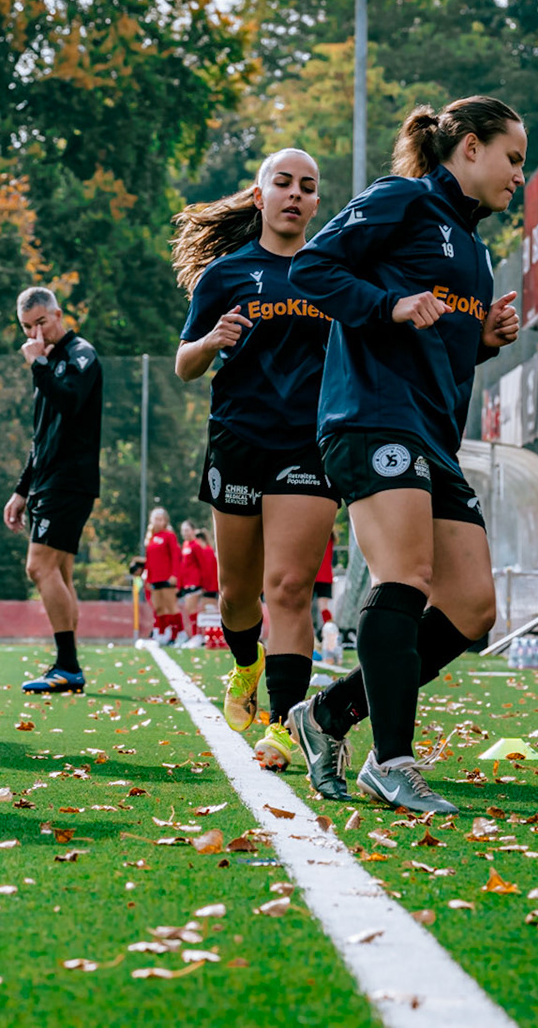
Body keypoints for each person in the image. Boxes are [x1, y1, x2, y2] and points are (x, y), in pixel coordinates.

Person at [284, 98, 523, 812]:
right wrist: (388, 306)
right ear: (470, 148)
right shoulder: (403, 200)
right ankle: (392, 762)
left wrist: (482, 341)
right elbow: (312, 270)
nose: (519, 175)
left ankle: (329, 715)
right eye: (513, 158)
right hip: (369, 416)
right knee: (407, 576)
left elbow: (440, 352)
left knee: (474, 609)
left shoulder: (476, 251)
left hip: (431, 437)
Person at [173, 146, 339, 773]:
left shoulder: (332, 273)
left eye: (308, 186)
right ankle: (248, 662)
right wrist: (211, 339)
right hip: (238, 441)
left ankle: (284, 724)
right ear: (260, 194)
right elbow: (186, 364)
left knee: (291, 587)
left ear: (316, 202)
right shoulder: (226, 274)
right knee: (237, 597)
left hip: (308, 445)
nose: (295, 194)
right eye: (284, 183)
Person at [1, 287, 102, 693]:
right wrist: (21, 489)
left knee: (38, 567)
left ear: (59, 314)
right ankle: (68, 664)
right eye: (27, 328)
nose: (36, 335)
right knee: (59, 571)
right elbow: (41, 435)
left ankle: (68, 665)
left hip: (69, 481)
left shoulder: (80, 354)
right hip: (48, 481)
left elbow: (71, 400)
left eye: (41, 323)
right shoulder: (48, 360)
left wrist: (39, 365)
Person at [143, 508, 182, 644]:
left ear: (165, 521)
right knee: (159, 608)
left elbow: (176, 556)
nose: (158, 522)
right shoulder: (151, 538)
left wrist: (174, 575)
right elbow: (149, 561)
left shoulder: (169, 536)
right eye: (155, 519)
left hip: (167, 578)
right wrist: (147, 578)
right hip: (154, 579)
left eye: (161, 519)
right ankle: (162, 633)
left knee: (171, 607)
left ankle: (179, 634)